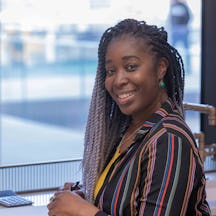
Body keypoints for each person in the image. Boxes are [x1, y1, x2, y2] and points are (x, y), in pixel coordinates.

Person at [47, 19, 211, 216]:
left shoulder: (168, 140)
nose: (118, 80)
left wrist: (83, 211)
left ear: (161, 68)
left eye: (131, 67)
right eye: (110, 71)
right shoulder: (129, 132)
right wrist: (87, 198)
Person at [168, 0, 192, 74]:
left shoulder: (184, 6)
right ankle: (172, 66)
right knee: (172, 50)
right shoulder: (173, 6)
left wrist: (184, 27)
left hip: (183, 31)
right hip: (175, 31)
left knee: (187, 50)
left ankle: (188, 68)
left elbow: (189, 17)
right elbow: (170, 19)